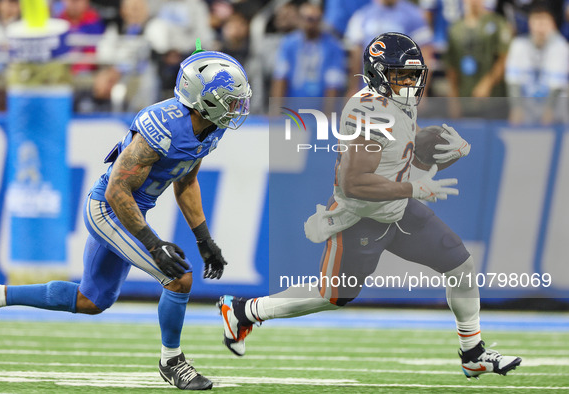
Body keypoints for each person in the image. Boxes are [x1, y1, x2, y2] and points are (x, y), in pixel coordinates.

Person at [218, 32, 522, 379]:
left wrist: (443, 155)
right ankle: (245, 311)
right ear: (378, 74)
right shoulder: (368, 111)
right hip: (361, 216)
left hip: (397, 207)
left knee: (460, 264)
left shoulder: (398, 101)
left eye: (413, 75)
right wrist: (413, 187)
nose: (410, 83)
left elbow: (404, 156)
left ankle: (473, 353)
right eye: (400, 75)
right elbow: (355, 183)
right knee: (331, 296)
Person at [0, 42, 252, 390]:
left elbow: (186, 180)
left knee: (91, 301)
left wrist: (204, 239)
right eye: (230, 99)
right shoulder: (163, 126)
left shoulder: (210, 127)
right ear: (203, 99)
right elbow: (116, 192)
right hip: (109, 208)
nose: (237, 108)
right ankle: (173, 361)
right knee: (179, 279)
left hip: (129, 209)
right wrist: (153, 245)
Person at [505, 3, 569, 125]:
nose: (540, 27)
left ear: (552, 24)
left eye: (544, 22)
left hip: (555, 112)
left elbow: (556, 86)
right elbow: (513, 82)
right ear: (530, 23)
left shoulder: (561, 47)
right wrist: (516, 108)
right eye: (537, 22)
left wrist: (549, 111)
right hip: (527, 110)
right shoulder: (518, 45)